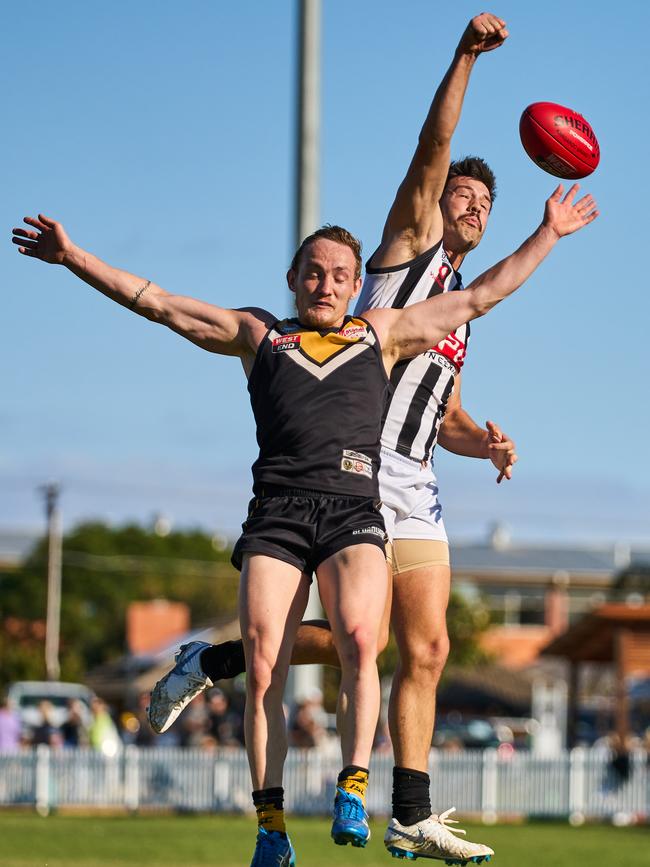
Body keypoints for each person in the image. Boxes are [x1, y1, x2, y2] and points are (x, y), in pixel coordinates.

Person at [13, 165, 595, 861]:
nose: (325, 284)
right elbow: (161, 303)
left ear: (357, 284)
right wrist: (73, 257)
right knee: (264, 666)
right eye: (313, 273)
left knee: (359, 636)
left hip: (354, 509)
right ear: (293, 279)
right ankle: (271, 828)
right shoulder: (261, 335)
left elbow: (481, 296)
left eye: (339, 274)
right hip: (279, 514)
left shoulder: (381, 332)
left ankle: (355, 784)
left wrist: (549, 234)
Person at [148, 12, 529, 862]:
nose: (471, 206)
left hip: (417, 472)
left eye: (485, 203)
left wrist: (488, 443)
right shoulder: (403, 254)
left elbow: (448, 413)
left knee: (421, 645)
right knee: (360, 641)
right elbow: (434, 147)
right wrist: (464, 59)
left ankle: (409, 808)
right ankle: (220, 665)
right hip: (351, 465)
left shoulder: (455, 311)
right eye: (462, 195)